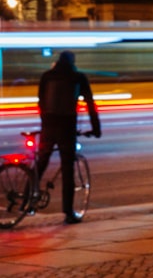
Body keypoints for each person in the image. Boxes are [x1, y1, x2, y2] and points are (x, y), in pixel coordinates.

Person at [35, 50, 101, 224]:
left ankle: (29, 198)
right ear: (73, 62)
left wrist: (45, 122)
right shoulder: (77, 77)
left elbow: (40, 101)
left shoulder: (47, 76)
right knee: (67, 168)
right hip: (66, 127)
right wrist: (96, 129)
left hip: (48, 125)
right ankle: (68, 212)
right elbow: (90, 104)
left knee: (41, 161)